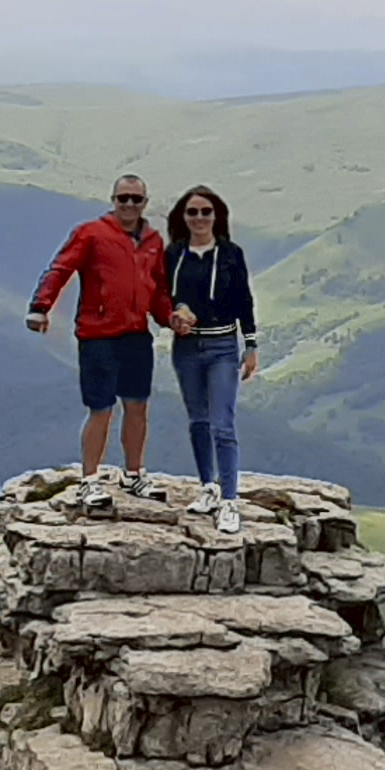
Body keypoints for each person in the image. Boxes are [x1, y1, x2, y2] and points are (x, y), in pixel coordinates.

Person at [27, 173, 167, 493]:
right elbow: (60, 269)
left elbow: (157, 290)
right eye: (123, 198)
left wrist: (172, 318)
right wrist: (40, 306)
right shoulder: (90, 234)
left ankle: (133, 475)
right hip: (97, 334)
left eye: (136, 199)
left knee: (137, 406)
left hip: (136, 333)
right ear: (113, 200)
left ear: (144, 203)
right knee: (101, 408)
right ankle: (90, 481)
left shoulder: (153, 242)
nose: (129, 204)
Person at [160, 183, 259, 535]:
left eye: (206, 211)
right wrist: (174, 314)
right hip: (186, 347)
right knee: (198, 420)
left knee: (223, 423)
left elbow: (244, 300)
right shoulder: (173, 254)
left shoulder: (231, 254)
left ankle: (230, 501)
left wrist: (250, 345)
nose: (199, 217)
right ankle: (208, 488)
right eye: (192, 212)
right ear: (183, 218)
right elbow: (161, 295)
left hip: (222, 347)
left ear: (216, 216)